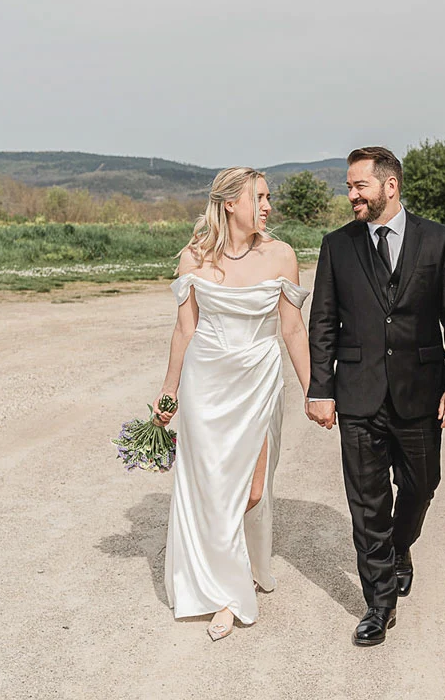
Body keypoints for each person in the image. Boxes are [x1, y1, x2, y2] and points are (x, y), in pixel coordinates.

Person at [306, 146, 445, 647]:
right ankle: (379, 604)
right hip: (357, 395)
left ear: (390, 186)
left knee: (423, 484)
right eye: (350, 187)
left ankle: (401, 547)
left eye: (359, 186)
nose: (352, 195)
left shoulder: (438, 239)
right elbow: (323, 323)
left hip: (421, 393)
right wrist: (321, 388)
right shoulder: (337, 245)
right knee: (367, 504)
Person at [153, 167, 311, 642]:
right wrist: (168, 394)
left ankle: (233, 571)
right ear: (229, 203)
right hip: (206, 386)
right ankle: (223, 594)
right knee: (211, 489)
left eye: (268, 197)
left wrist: (316, 390)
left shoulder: (281, 256)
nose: (267, 206)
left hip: (258, 384)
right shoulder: (193, 258)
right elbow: (185, 330)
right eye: (259, 197)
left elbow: (292, 329)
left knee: (252, 490)